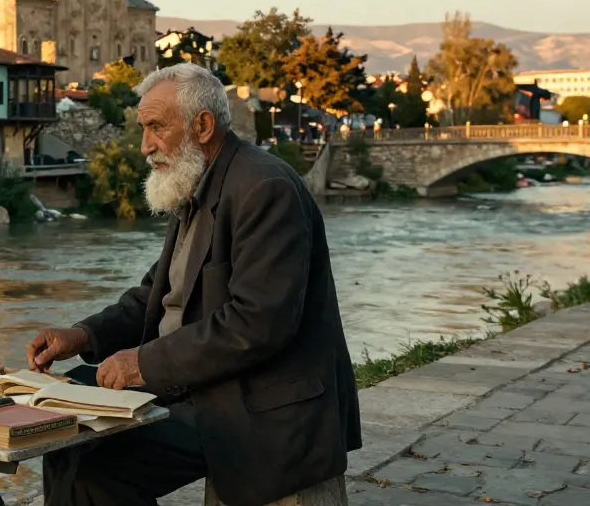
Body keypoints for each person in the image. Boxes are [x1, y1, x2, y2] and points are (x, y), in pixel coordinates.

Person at [27, 63, 361, 506]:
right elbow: (155, 297)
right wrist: (84, 335)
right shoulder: (196, 182)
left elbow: (257, 323)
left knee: (99, 465)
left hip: (255, 404)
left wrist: (141, 363)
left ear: (202, 125)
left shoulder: (265, 188)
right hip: (199, 385)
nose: (145, 146)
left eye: (154, 128)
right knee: (69, 435)